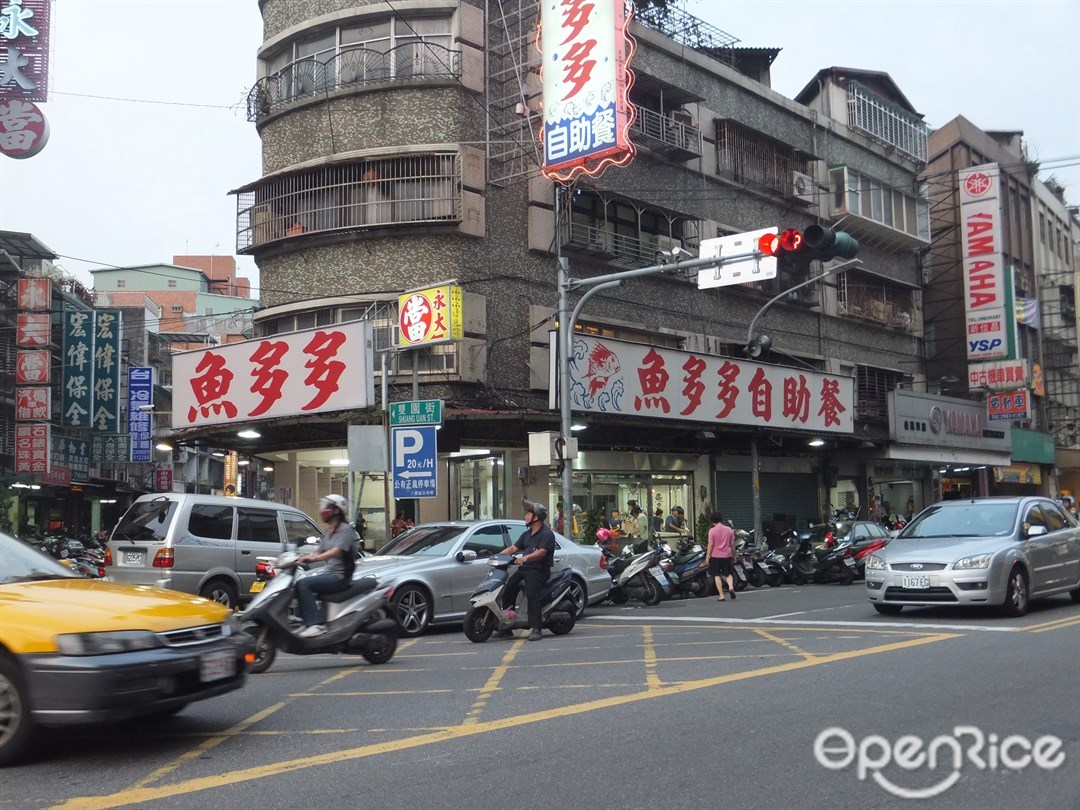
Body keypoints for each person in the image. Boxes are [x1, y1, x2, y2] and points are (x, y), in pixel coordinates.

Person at [294, 494, 358, 637]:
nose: (323, 511)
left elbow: (335, 551)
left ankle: (316, 624)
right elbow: (318, 551)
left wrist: (313, 559)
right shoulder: (329, 531)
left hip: (340, 577)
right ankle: (307, 622)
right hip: (329, 573)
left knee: (304, 584)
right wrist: (302, 558)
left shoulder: (345, 529)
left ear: (336, 510)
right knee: (297, 583)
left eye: (327, 508)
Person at [497, 499, 557, 641]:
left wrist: (525, 558)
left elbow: (542, 552)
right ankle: (507, 626)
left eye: (528, 514)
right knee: (508, 588)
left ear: (536, 517)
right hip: (525, 569)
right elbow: (513, 548)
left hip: (539, 570)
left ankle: (536, 628)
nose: (525, 517)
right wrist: (498, 555)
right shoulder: (526, 534)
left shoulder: (547, 534)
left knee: (531, 593)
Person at [701, 511, 736, 601]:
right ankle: (731, 587)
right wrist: (734, 555)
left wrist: (707, 558)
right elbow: (732, 544)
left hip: (715, 556)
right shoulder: (729, 530)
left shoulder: (712, 531)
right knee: (728, 574)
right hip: (727, 555)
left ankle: (721, 595)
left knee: (717, 575)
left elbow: (710, 544)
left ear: (712, 520)